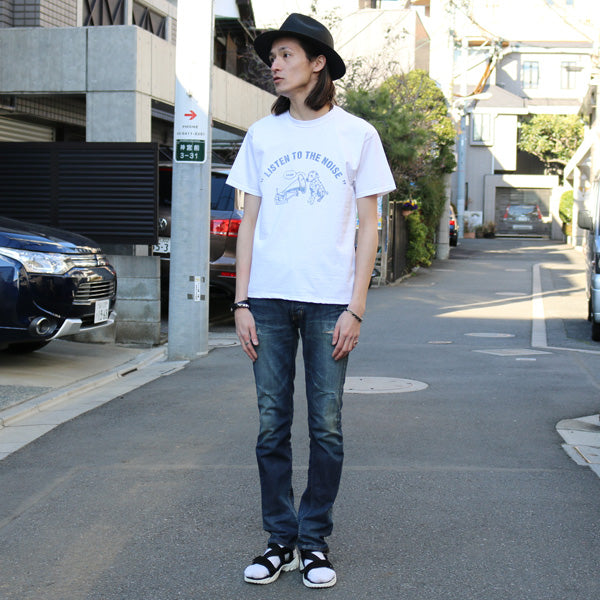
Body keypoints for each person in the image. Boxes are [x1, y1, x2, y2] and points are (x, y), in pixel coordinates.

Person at [226, 13, 395, 589]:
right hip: (268, 301)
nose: (274, 65)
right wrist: (241, 302)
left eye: (286, 55)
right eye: (272, 57)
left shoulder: (357, 134)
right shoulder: (261, 135)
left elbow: (370, 228)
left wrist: (356, 307)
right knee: (271, 425)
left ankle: (314, 540)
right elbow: (248, 223)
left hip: (329, 303)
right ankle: (281, 539)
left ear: (318, 63)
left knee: (326, 427)